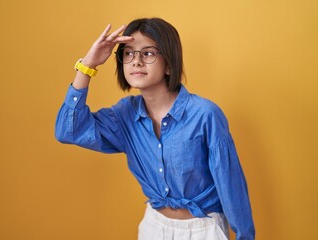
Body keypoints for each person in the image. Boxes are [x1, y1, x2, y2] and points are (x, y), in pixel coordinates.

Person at [55, 18, 255, 240]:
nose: (136, 61)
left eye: (148, 53)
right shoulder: (124, 115)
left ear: (169, 63)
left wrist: (244, 235)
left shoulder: (205, 114)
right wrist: (88, 66)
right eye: (128, 53)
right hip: (154, 228)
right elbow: (68, 131)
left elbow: (231, 185)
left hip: (204, 230)